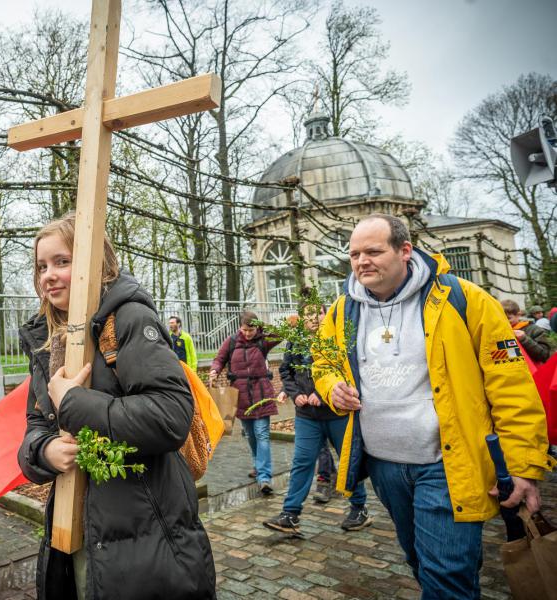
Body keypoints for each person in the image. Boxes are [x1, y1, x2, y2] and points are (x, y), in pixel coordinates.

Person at [314, 214, 553, 599]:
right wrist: (332, 386)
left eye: (373, 251)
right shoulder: (343, 311)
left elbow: (512, 388)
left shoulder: (466, 299)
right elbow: (322, 361)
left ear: (405, 250)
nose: (362, 262)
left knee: (446, 576)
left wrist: (524, 466)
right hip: (384, 466)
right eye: (355, 254)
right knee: (421, 563)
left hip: (447, 467)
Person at [17, 213, 215, 600]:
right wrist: (45, 450)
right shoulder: (46, 339)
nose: (48, 276)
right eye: (41, 266)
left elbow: (170, 414)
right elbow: (34, 425)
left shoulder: (128, 317)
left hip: (147, 527)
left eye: (62, 262)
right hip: (75, 531)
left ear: (96, 261)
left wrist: (74, 403)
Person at [263, 303, 371, 535]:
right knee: (302, 461)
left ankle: (359, 508)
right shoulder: (296, 341)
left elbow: (347, 371)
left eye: (317, 313)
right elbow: (286, 372)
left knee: (348, 460)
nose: (312, 318)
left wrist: (322, 394)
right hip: (307, 416)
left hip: (337, 414)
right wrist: (295, 393)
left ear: (325, 315)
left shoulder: (337, 340)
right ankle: (290, 514)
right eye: (307, 314)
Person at [209, 311, 280, 493]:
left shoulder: (262, 340)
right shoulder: (231, 341)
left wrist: (263, 327)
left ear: (257, 327)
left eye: (252, 329)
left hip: (261, 392)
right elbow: (219, 359)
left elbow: (280, 334)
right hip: (240, 395)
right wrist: (214, 371)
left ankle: (264, 477)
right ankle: (258, 466)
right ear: (240, 327)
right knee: (250, 435)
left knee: (262, 433)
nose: (248, 333)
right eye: (245, 329)